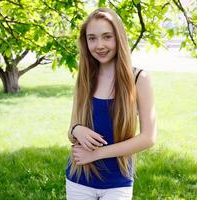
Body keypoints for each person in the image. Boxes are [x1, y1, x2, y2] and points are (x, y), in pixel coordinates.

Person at [65, 7, 156, 200]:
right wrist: (77, 130)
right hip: (79, 178)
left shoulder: (139, 78)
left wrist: (97, 153)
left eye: (107, 36)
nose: (99, 45)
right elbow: (71, 129)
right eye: (92, 38)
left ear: (119, 39)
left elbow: (149, 137)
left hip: (117, 182)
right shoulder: (85, 78)